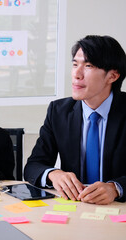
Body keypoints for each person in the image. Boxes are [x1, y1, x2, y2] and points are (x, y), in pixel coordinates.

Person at [24, 35, 126, 205]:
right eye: (75, 64)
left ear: (112, 76)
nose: (76, 74)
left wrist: (116, 188)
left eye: (88, 65)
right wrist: (53, 174)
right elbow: (33, 166)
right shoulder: (58, 111)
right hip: (76, 209)